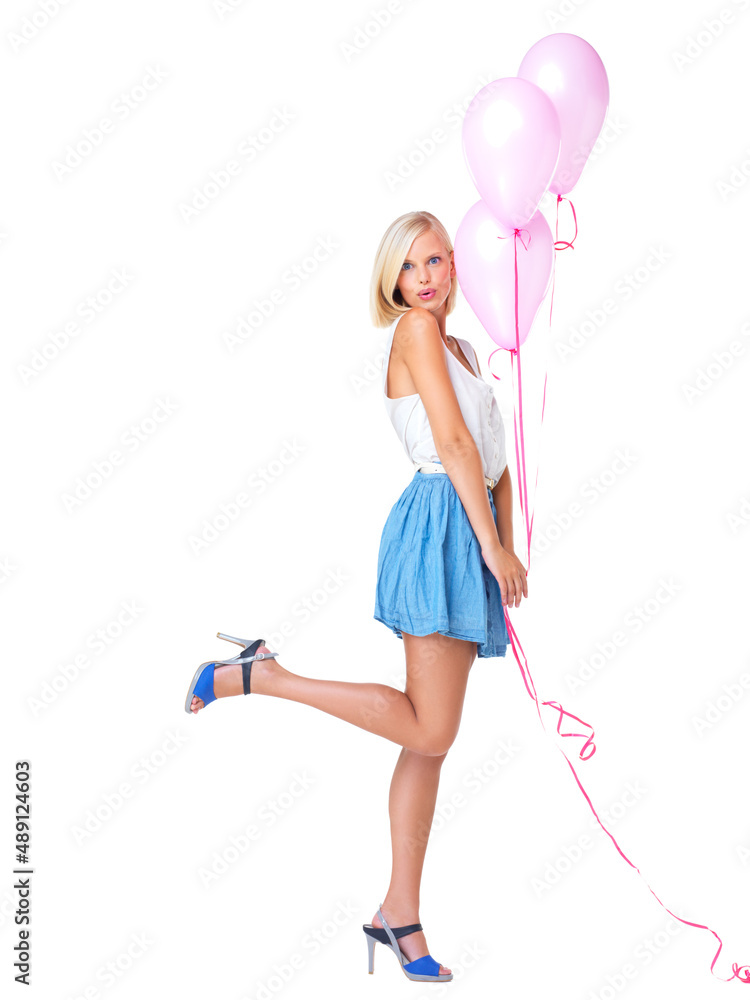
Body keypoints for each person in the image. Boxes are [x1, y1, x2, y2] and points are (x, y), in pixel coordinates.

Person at [183, 209, 527, 983]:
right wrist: (492, 544)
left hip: (471, 530)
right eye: (413, 266)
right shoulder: (412, 334)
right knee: (432, 727)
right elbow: (454, 445)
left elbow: (500, 460)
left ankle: (399, 912)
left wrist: (510, 545)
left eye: (438, 259)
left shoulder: (465, 348)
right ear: (394, 280)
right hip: (442, 526)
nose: (429, 276)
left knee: (427, 741)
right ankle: (263, 675)